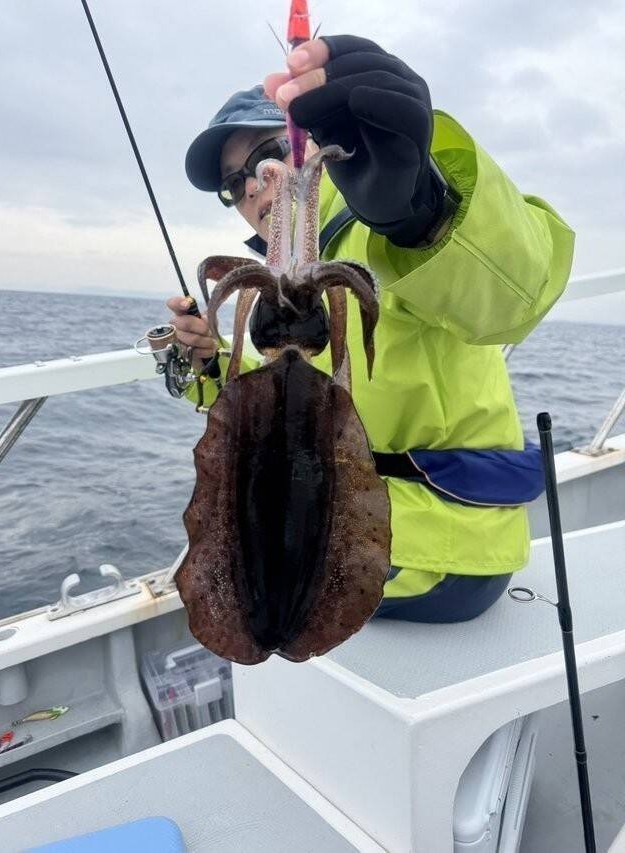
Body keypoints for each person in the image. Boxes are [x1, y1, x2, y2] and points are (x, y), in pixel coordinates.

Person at [168, 35, 574, 623]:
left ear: (308, 142)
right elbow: (290, 395)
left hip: (441, 549)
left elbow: (516, 294)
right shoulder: (286, 293)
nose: (253, 187)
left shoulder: (381, 236)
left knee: (258, 608)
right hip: (339, 525)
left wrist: (423, 214)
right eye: (235, 185)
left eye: (266, 156)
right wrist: (210, 366)